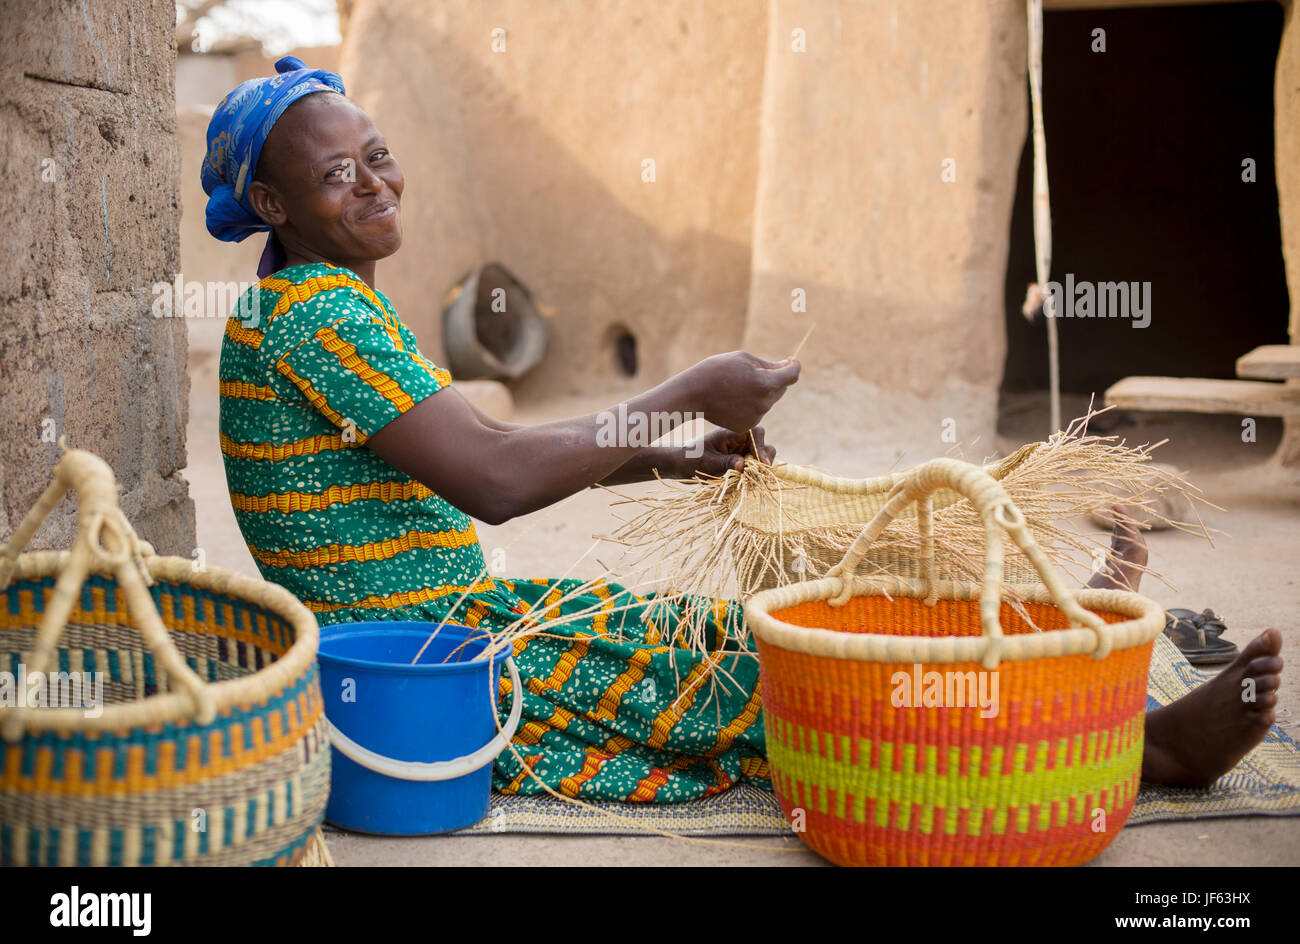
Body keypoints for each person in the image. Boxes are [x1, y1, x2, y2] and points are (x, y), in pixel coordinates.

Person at [204, 58, 1282, 802]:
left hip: (449, 628)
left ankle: (1076, 660)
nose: (375, 182)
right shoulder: (321, 313)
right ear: (273, 201)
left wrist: (658, 456)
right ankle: (1129, 752)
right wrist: (687, 391)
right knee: (786, 685)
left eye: (377, 152)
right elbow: (490, 474)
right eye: (335, 173)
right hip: (440, 663)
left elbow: (466, 461)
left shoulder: (294, 309)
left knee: (741, 631)